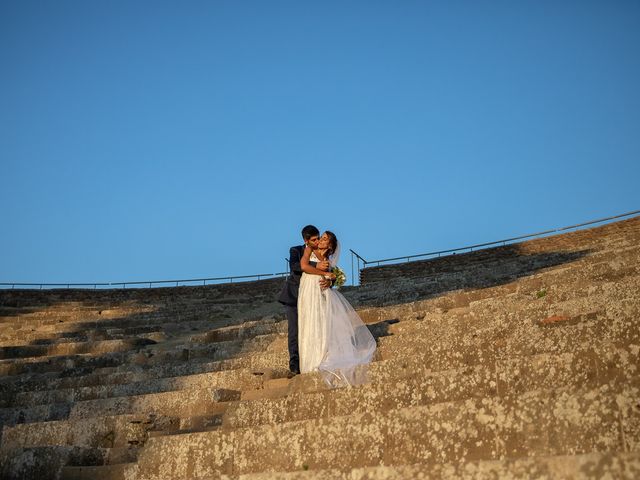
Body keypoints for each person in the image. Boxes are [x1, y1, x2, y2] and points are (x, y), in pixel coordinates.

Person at [298, 230, 377, 386]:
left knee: (321, 324)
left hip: (321, 291)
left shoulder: (328, 260)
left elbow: (330, 276)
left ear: (330, 245)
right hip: (308, 289)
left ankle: (321, 358)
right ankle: (309, 362)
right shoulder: (310, 249)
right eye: (321, 237)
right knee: (309, 322)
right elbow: (304, 266)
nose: (320, 240)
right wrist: (326, 273)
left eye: (325, 239)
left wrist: (330, 277)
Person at [277, 225, 331, 376]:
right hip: (294, 296)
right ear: (305, 240)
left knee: (313, 328)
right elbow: (295, 266)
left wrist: (330, 281)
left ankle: (313, 359)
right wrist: (315, 265)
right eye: (313, 239)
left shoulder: (322, 252)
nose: (317, 241)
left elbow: (329, 272)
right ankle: (294, 363)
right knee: (294, 329)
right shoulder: (296, 250)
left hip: (313, 297)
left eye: (318, 237)